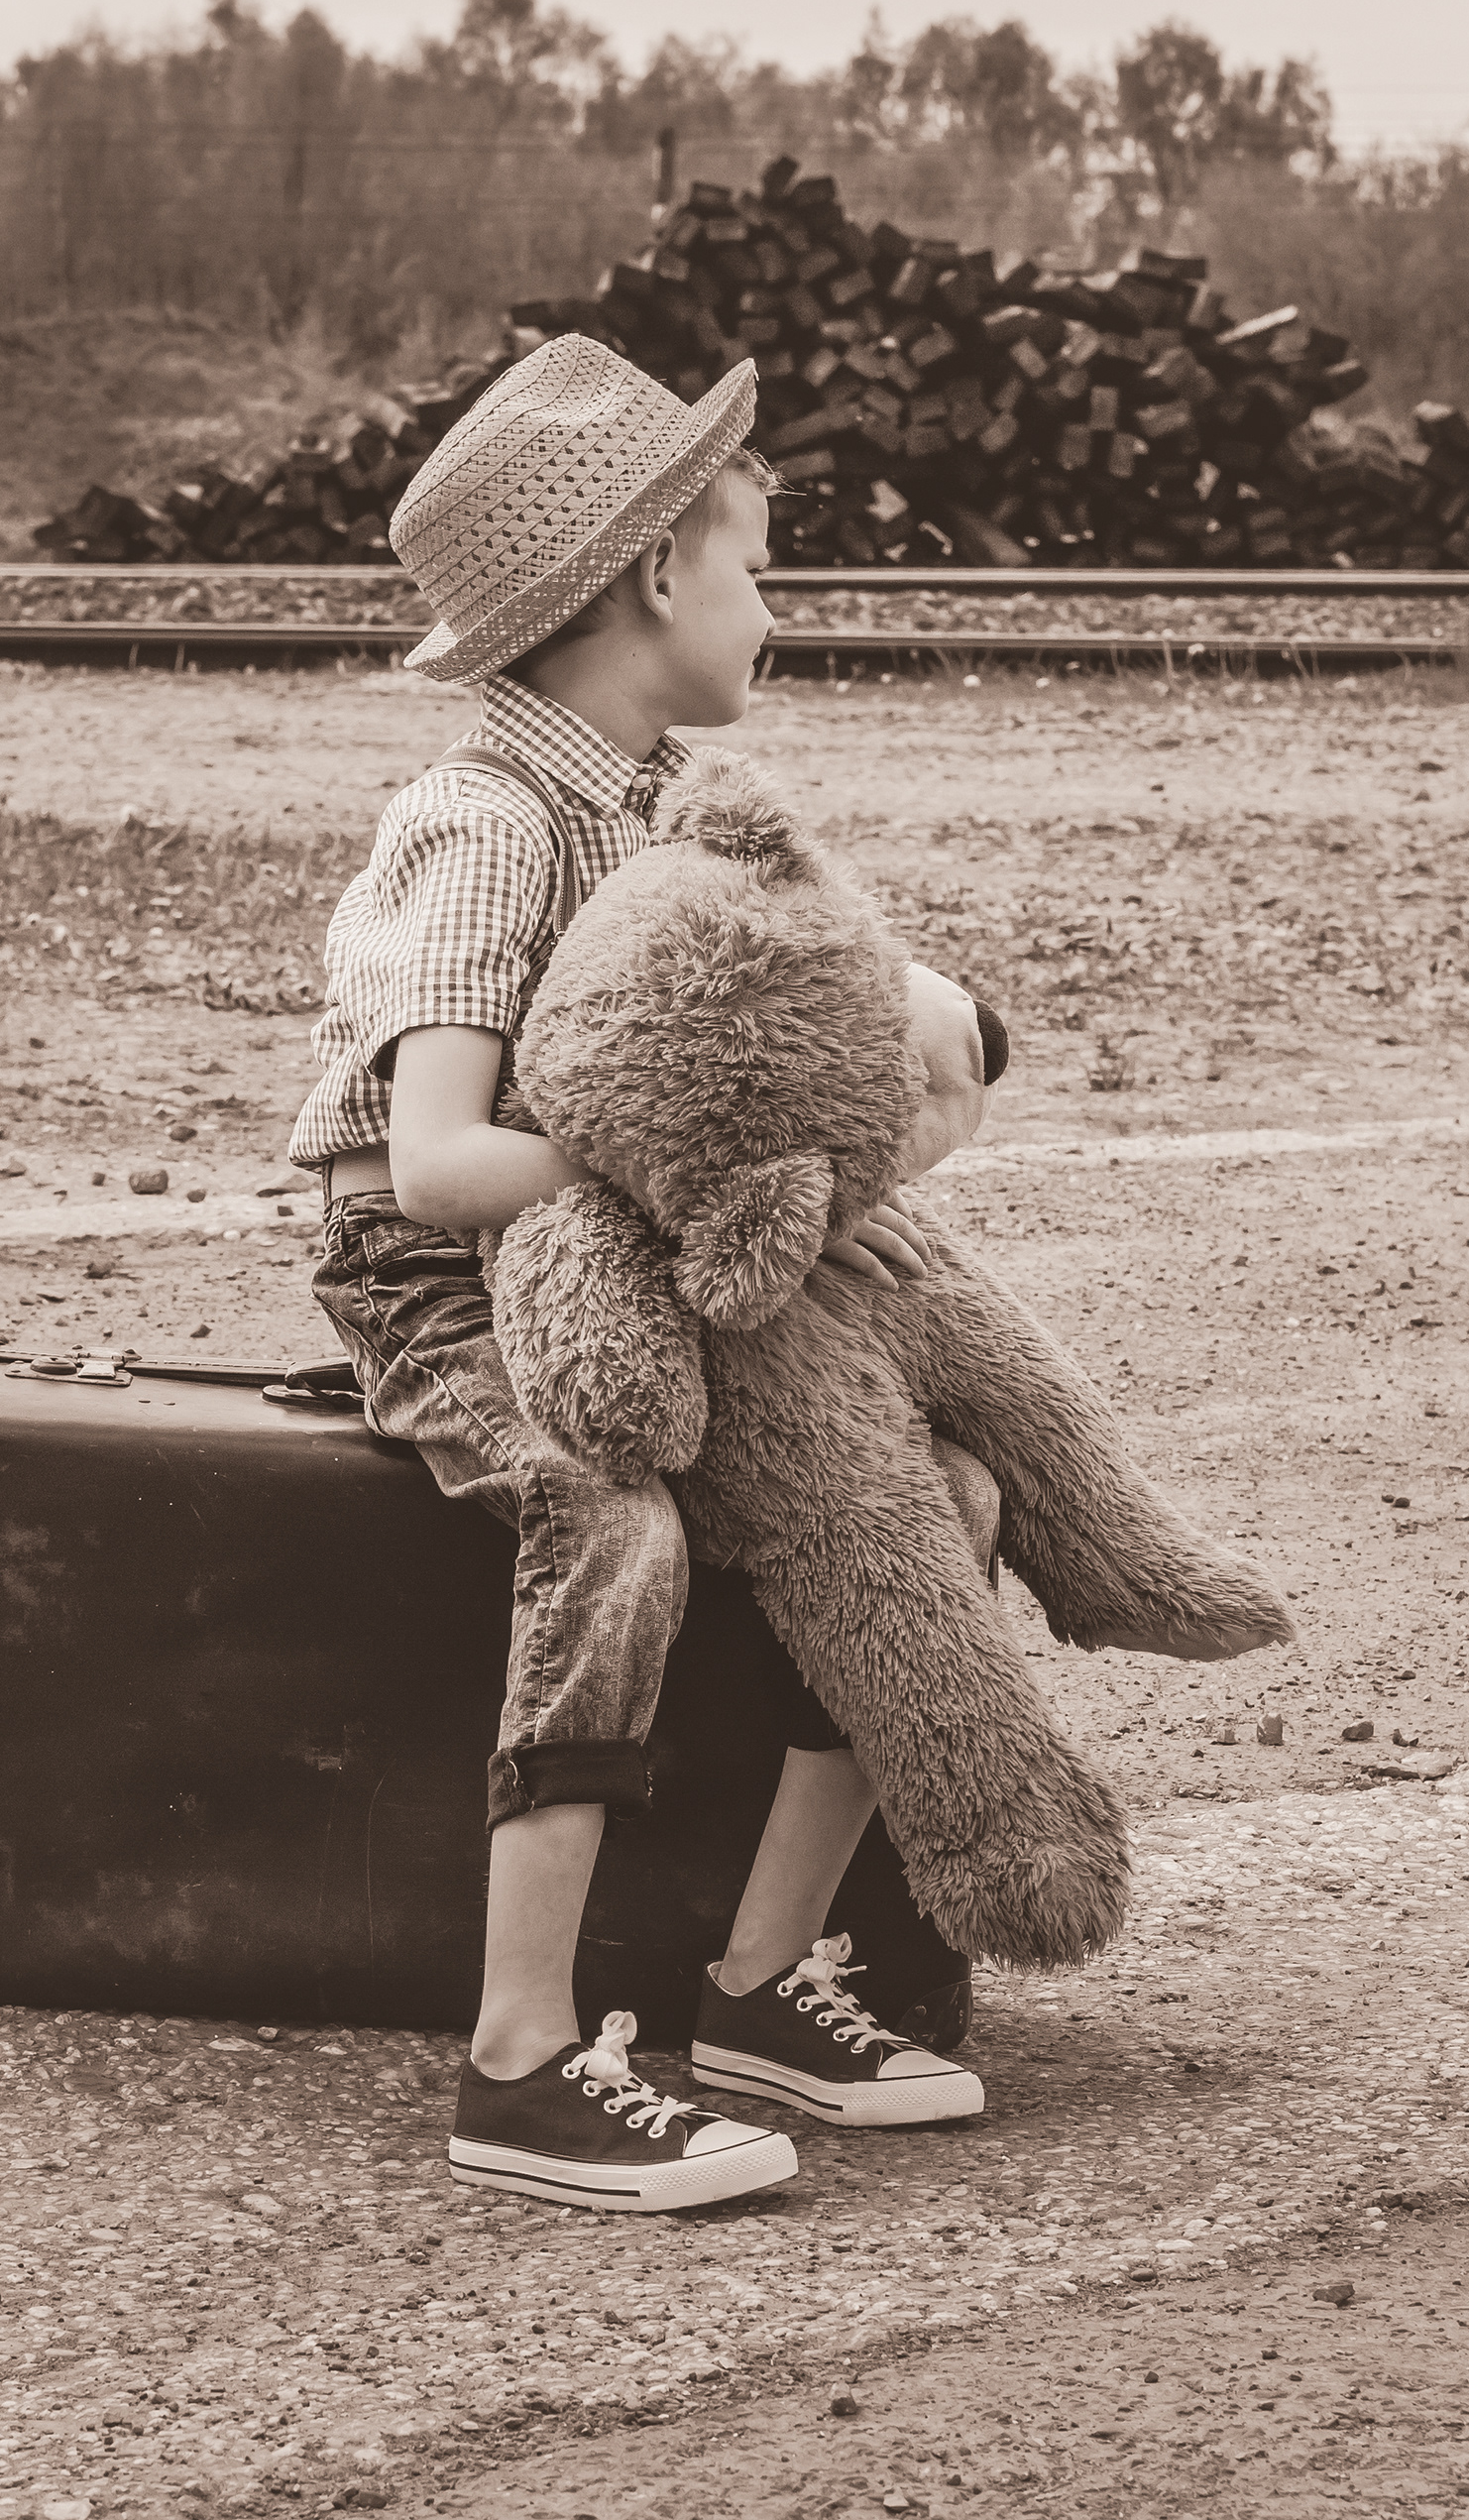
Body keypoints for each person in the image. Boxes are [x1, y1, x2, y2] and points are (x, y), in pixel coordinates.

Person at [293, 334, 992, 2215]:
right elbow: (434, 1165)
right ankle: (519, 2061)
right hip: (445, 1279)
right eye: (760, 565)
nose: (775, 607)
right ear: (662, 573)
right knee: (611, 1523)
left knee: (934, 1494)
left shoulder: (675, 803)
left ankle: (758, 1989)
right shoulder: (484, 822)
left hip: (624, 1256)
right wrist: (711, 1191)